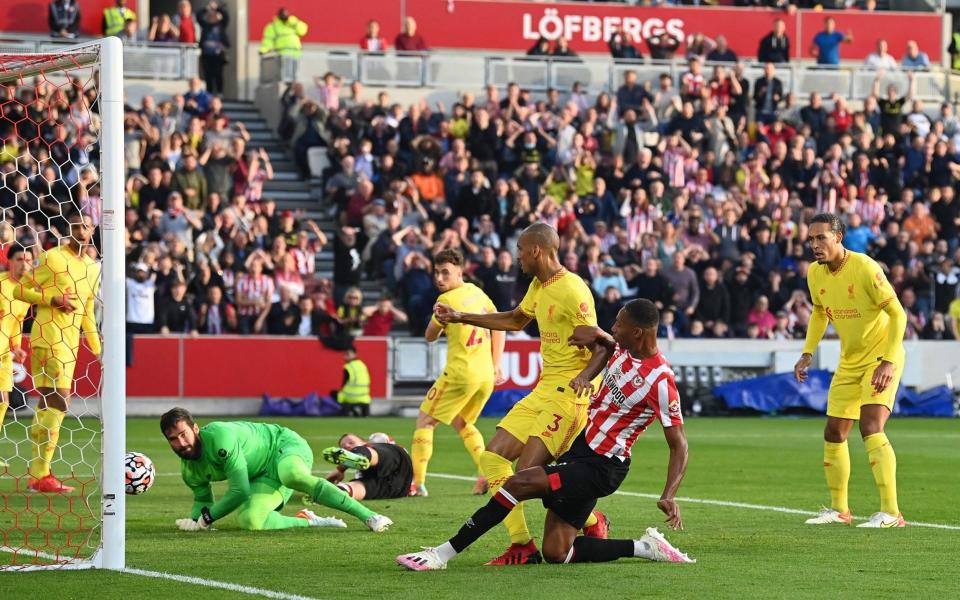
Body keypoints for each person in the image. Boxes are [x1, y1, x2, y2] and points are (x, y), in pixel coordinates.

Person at [397, 299, 694, 571]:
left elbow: (678, 444)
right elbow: (599, 338)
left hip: (603, 466)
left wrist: (668, 494)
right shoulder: (620, 347)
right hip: (582, 448)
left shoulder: (661, 381)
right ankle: (646, 547)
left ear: (639, 333)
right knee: (557, 552)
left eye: (619, 323)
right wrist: (585, 343)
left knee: (518, 482)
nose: (614, 327)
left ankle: (442, 554)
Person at [432, 223, 606, 566]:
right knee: (493, 458)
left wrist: (585, 377)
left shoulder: (573, 290)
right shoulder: (538, 286)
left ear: (537, 250)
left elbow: (602, 345)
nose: (518, 257)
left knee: (527, 479)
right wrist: (460, 317)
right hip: (544, 389)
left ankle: (591, 521)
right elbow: (514, 320)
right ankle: (522, 546)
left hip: (569, 395)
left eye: (521, 250)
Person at [795, 213, 907, 528]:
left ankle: (891, 513)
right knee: (834, 431)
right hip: (850, 359)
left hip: (882, 356)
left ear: (839, 236)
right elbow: (819, 313)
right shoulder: (814, 274)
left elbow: (898, 315)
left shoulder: (866, 268)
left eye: (821, 238)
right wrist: (807, 353)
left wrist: (888, 359)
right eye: (811, 238)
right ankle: (840, 510)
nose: (815, 245)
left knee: (871, 426)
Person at [161, 407, 392, 532]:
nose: (181, 443)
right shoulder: (189, 470)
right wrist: (194, 521)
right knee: (251, 521)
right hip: (262, 474)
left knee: (291, 475)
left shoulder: (220, 438)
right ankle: (311, 521)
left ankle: (370, 516)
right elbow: (202, 499)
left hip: (283, 445)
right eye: (173, 439)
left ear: (196, 428)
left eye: (184, 434)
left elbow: (239, 491)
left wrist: (206, 519)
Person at [13, 213, 99, 493]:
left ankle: (40, 474)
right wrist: (52, 299)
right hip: (48, 338)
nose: (80, 230)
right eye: (75, 226)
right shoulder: (52, 258)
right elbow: (20, 290)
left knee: (49, 405)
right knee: (60, 402)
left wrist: (99, 352)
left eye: (85, 226)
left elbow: (87, 313)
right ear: (68, 229)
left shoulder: (92, 268)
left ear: (92, 230)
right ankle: (42, 473)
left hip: (70, 344)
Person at [411, 249, 505, 497]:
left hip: (460, 373)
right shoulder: (477, 292)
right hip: (485, 375)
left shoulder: (448, 301)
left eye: (445, 273)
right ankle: (485, 472)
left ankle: (416, 483)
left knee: (425, 421)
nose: (439, 279)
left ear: (459, 273)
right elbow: (500, 326)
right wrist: (496, 364)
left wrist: (438, 320)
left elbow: (430, 337)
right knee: (463, 422)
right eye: (437, 273)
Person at [0, 246, 33, 468]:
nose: (24, 263)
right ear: (9, 261)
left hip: (4, 353)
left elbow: (16, 322)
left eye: (28, 260)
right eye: (19, 259)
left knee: (4, 401)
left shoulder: (25, 292)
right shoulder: (1, 284)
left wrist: (17, 346)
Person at [323, 432, 413, 500]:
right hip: (396, 489)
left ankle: (359, 455)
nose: (346, 445)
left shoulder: (376, 442)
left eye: (351, 442)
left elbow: (383, 439)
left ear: (364, 441)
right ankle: (329, 492)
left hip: (396, 461)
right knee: (358, 485)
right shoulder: (360, 473)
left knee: (369, 451)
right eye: (343, 446)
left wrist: (340, 469)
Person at [259, 7, 308, 80]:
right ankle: (287, 87)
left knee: (295, 76)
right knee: (285, 76)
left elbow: (303, 31)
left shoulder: (293, 23)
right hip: (282, 54)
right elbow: (268, 40)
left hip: (296, 54)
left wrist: (295, 22)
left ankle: (292, 87)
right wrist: (264, 49)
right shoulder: (274, 26)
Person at [338, 346, 371, 417]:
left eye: (347, 354)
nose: (345, 357)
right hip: (365, 397)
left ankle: (349, 413)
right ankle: (358, 413)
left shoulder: (348, 367)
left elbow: (344, 383)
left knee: (337, 395)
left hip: (350, 397)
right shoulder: (362, 365)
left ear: (354, 354)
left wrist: (341, 392)